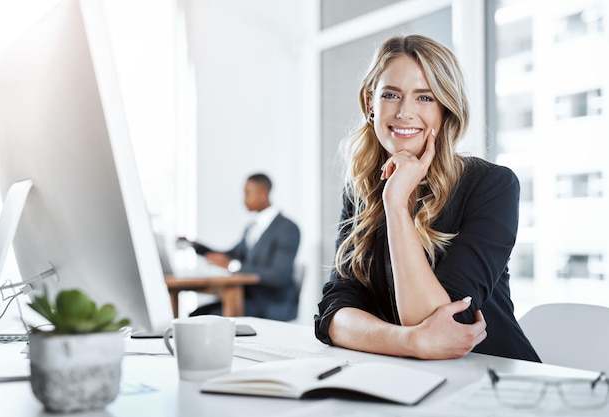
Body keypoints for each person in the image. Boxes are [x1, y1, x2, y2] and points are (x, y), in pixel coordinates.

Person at [314, 34, 540, 362]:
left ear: (446, 107)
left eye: (425, 98)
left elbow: (445, 321)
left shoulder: (492, 185)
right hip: (408, 376)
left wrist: (396, 206)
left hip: (494, 378)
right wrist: (410, 342)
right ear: (370, 104)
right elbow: (334, 315)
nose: (405, 112)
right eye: (391, 95)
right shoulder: (362, 190)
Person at [179, 173, 301, 321]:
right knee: (195, 316)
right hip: (247, 299)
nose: (244, 199)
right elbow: (230, 255)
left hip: (271, 304)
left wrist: (232, 266)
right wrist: (195, 246)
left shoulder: (287, 228)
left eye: (248, 193)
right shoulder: (252, 228)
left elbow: (278, 275)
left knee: (206, 319)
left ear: (263, 194)